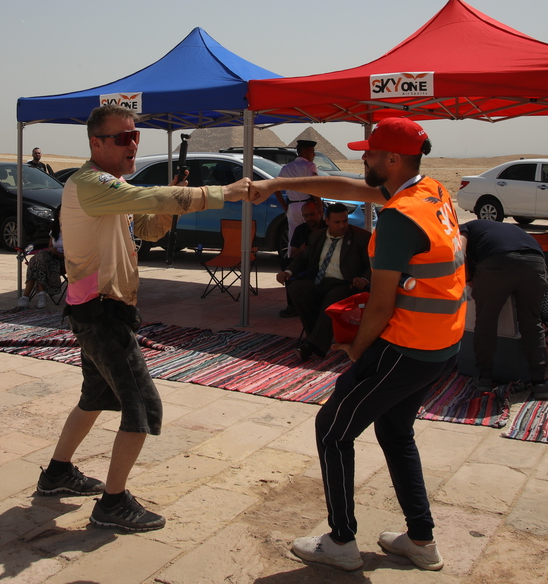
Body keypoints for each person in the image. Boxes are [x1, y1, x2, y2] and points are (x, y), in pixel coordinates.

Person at [247, 116, 465, 573]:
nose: (362, 160)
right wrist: (275, 185)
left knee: (332, 429)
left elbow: (381, 306)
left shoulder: (399, 218)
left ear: (392, 159)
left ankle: (341, 541)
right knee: (395, 431)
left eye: (369, 154)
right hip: (441, 344)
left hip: (405, 347)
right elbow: (347, 186)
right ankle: (421, 540)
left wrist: (356, 350)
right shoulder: (431, 192)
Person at [36, 105, 250, 532]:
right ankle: (113, 503)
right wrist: (224, 192)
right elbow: (149, 198)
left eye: (135, 136)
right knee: (143, 409)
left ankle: (57, 473)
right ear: (96, 143)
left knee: (95, 397)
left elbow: (148, 228)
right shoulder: (91, 184)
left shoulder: (111, 188)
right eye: (123, 138)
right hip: (103, 314)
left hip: (97, 309)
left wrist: (171, 202)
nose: (133, 144)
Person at [459, 219, 548, 399]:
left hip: (498, 262)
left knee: (486, 322)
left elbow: (461, 255)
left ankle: (484, 378)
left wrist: (469, 281)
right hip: (535, 264)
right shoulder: (500, 228)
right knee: (532, 323)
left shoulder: (464, 229)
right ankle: (540, 383)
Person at [277, 202, 371, 359]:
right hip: (319, 282)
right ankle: (316, 339)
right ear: (327, 221)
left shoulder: (360, 237)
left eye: (345, 221)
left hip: (344, 284)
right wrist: (288, 271)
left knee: (333, 297)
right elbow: (303, 259)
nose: (342, 225)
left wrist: (364, 278)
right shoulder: (316, 237)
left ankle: (311, 346)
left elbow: (372, 265)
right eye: (337, 222)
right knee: (297, 288)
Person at [276, 140, 320, 255]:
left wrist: (285, 206)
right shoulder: (309, 166)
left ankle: (291, 261)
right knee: (312, 234)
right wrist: (320, 206)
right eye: (312, 152)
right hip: (308, 206)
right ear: (305, 152)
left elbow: (276, 188)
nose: (314, 155)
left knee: (292, 237)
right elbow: (314, 187)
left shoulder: (286, 168)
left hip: (292, 207)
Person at [19, 218, 65, 308]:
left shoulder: (72, 230)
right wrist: (52, 250)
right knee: (37, 259)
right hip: (51, 257)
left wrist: (62, 255)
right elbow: (49, 247)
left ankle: (27, 297)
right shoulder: (55, 230)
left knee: (36, 262)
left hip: (64, 259)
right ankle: (41, 294)